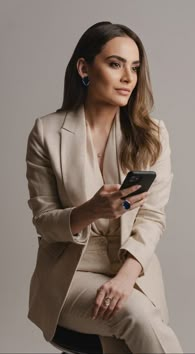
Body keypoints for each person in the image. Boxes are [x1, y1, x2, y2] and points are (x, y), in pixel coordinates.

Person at [25, 21, 183, 353]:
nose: (129, 77)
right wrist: (90, 211)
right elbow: (45, 224)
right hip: (71, 273)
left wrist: (127, 276)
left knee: (126, 336)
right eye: (115, 64)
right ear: (85, 68)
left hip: (132, 268)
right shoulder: (47, 133)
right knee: (136, 316)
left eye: (135, 68)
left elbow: (152, 217)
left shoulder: (152, 134)